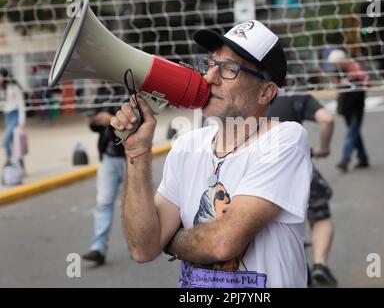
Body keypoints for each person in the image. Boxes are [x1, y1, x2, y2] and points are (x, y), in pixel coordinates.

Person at [110, 20, 313, 287]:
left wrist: (171, 240)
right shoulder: (187, 145)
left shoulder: (284, 139)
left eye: (229, 69)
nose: (208, 78)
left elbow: (223, 242)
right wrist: (137, 152)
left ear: (266, 92)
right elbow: (143, 248)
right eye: (210, 64)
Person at [268, 94, 338, 287]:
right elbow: (327, 119)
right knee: (320, 214)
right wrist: (323, 148)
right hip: (295, 167)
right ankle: (320, 265)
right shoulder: (296, 98)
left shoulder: (241, 102)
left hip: (257, 174)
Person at [82, 82, 127, 265]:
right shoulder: (101, 92)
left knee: (134, 204)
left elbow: (137, 123)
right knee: (103, 203)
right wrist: (92, 119)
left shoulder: (128, 91)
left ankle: (142, 244)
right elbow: (94, 125)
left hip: (130, 158)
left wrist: (111, 119)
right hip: (107, 157)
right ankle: (98, 248)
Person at [327, 49, 370, 173]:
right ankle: (363, 158)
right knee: (355, 133)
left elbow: (365, 85)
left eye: (335, 63)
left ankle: (345, 160)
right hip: (345, 108)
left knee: (351, 134)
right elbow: (336, 87)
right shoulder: (338, 72)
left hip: (356, 107)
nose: (334, 66)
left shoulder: (355, 69)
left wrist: (349, 82)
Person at [1, 68, 26, 169]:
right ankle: (20, 165)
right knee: (14, 143)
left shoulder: (14, 87)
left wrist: (22, 119)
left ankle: (10, 163)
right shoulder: (2, 88)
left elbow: (21, 103)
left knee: (5, 142)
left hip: (15, 115)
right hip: (7, 116)